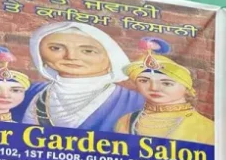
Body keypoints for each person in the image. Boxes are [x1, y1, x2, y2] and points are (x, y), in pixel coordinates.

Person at [12, 22, 144, 130]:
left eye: (88, 51)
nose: (71, 56)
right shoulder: (27, 93)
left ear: (111, 57)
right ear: (39, 53)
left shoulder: (136, 102)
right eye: (56, 48)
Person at [114, 37, 214, 145]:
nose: (154, 88)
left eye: (166, 83)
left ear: (187, 87)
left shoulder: (206, 128)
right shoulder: (126, 121)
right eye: (144, 81)